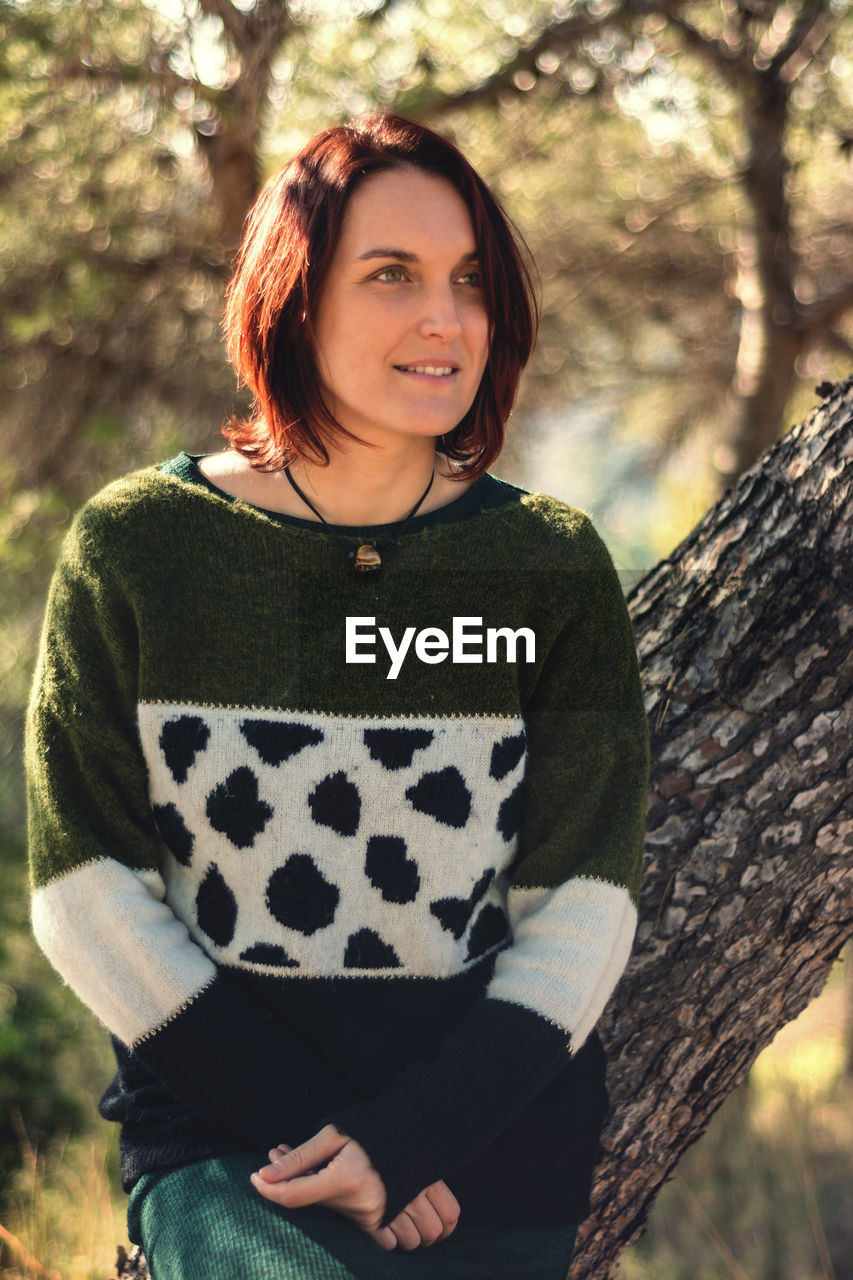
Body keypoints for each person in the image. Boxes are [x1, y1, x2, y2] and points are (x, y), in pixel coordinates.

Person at [25, 114, 649, 1279]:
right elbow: (85, 884)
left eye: (469, 281)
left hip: (487, 1160)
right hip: (233, 1149)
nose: (444, 318)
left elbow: (583, 902)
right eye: (391, 275)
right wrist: (326, 1141)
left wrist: (413, 1137)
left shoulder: (546, 565)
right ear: (294, 298)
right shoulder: (143, 548)